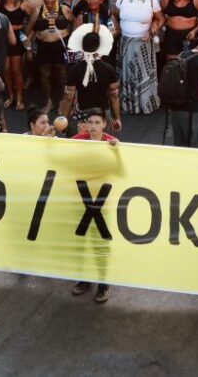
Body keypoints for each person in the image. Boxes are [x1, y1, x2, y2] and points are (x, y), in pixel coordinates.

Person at [69, 107, 118, 304]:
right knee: (81, 242)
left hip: (101, 201)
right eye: (91, 122)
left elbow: (121, 169)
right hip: (80, 199)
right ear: (86, 124)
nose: (94, 126)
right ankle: (85, 279)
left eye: (98, 123)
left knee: (100, 242)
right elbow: (57, 151)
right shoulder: (77, 140)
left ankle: (103, 283)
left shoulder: (111, 143)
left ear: (104, 124)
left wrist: (118, 152)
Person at [111, 0, 163, 115]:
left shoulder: (151, 1)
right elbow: (114, 15)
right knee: (127, 72)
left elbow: (160, 19)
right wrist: (117, 29)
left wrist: (152, 30)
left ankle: (145, 104)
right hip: (126, 41)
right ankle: (128, 104)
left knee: (144, 73)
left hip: (143, 41)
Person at [61, 25, 120, 134]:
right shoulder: (108, 69)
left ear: (82, 47)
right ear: (99, 47)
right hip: (102, 116)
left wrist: (64, 120)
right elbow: (114, 95)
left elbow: (69, 97)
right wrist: (117, 118)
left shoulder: (74, 69)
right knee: (102, 146)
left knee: (78, 145)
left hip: (82, 115)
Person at [24, 0, 73, 113]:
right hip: (43, 46)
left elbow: (74, 25)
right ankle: (49, 101)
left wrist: (72, 44)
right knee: (44, 74)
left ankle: (63, 100)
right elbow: (28, 31)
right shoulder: (37, 11)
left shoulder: (65, 10)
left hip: (61, 46)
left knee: (62, 73)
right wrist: (28, 48)